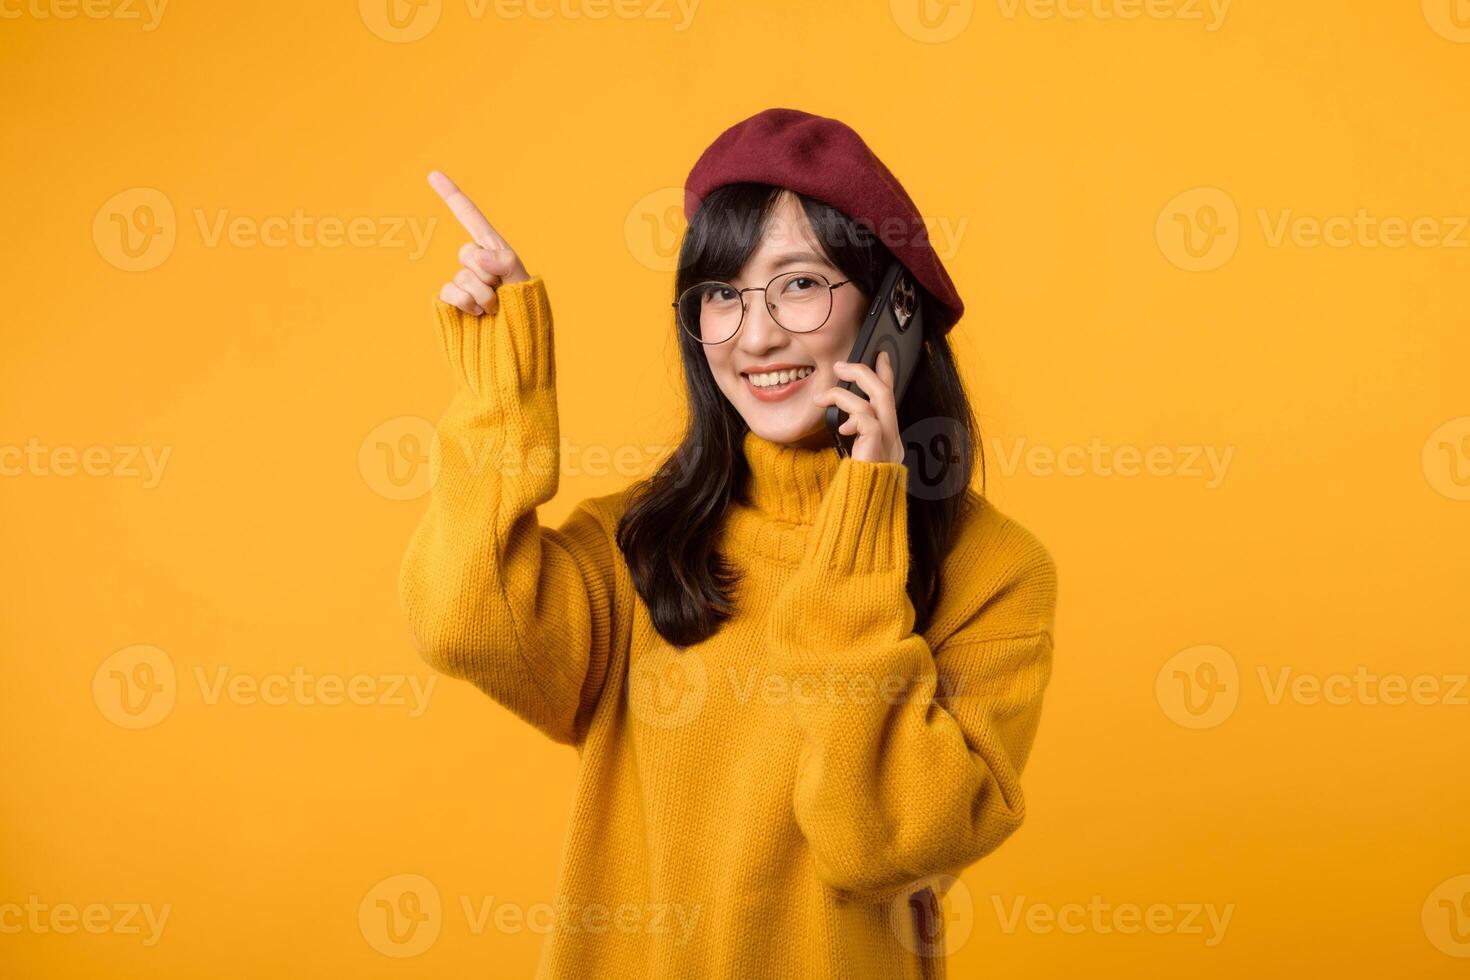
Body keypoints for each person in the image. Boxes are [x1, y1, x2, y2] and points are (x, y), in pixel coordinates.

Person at [399, 107, 1058, 980]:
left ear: (892, 309)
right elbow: (461, 618)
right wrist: (500, 388)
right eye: (721, 294)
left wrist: (864, 528)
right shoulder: (637, 542)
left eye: (797, 284)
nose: (754, 337)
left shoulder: (994, 574)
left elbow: (886, 842)